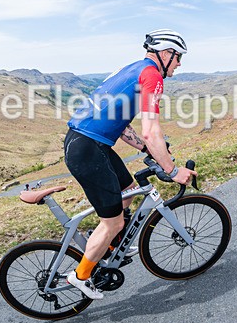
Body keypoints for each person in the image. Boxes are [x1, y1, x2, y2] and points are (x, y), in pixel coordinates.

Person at [60, 29, 196, 300]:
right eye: (178, 57)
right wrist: (172, 169)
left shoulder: (134, 69)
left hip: (88, 143)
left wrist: (147, 150)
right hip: (88, 149)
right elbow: (151, 130)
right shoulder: (152, 76)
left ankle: (106, 245)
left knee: (129, 190)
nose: (179, 64)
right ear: (165, 54)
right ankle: (81, 275)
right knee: (112, 222)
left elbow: (123, 127)